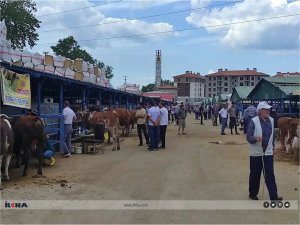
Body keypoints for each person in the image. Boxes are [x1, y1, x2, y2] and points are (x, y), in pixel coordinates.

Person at [246, 101, 282, 201]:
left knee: (270, 173)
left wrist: (273, 148)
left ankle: (274, 197)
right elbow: (248, 137)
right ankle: (252, 193)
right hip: (256, 153)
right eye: (266, 109)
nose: (268, 110)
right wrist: (255, 139)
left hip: (268, 152)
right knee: (255, 174)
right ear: (260, 111)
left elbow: (273, 137)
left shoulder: (271, 120)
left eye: (268, 109)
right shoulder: (254, 121)